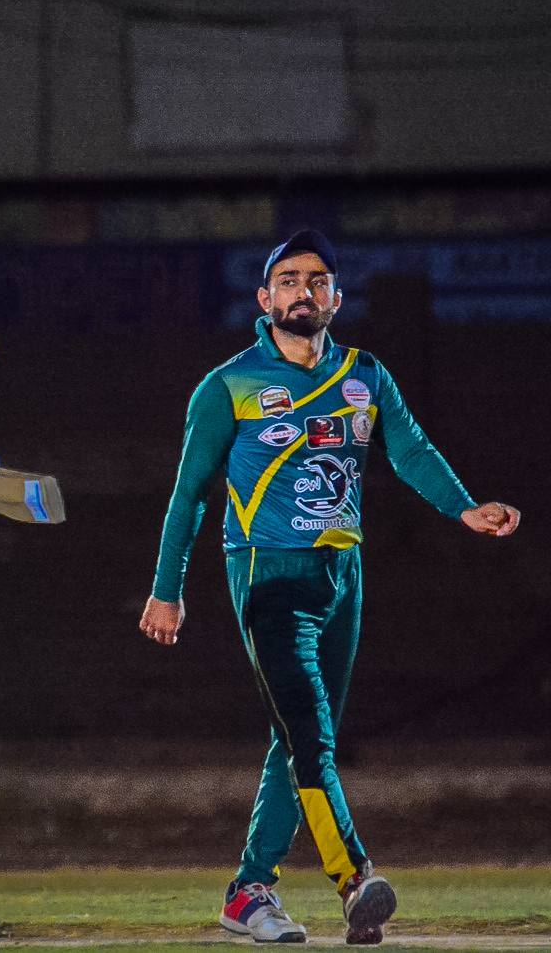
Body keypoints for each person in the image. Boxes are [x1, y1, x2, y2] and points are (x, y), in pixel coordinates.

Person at [138, 230, 521, 946]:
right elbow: (189, 494)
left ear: (337, 298)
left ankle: (249, 891)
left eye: (317, 280)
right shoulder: (228, 385)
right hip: (268, 574)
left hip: (343, 576)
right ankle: (354, 881)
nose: (303, 292)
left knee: (299, 740)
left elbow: (410, 449)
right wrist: (167, 589)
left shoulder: (365, 374)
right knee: (309, 736)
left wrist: (465, 507)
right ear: (264, 298)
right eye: (288, 281)